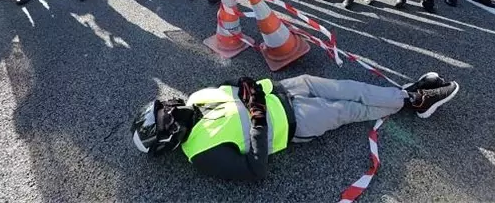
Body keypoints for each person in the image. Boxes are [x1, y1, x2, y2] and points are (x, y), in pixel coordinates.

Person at [131, 72, 459, 180]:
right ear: (169, 136)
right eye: (165, 115)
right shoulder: (202, 153)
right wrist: (258, 117)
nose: (171, 106)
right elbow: (255, 171)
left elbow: (234, 86)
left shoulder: (198, 98)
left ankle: (407, 95)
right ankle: (415, 100)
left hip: (288, 87)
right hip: (297, 121)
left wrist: (245, 84)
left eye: (164, 104)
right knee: (349, 109)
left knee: (350, 88)